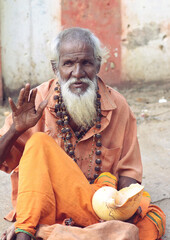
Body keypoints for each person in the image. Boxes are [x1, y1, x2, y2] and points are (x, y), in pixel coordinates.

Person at [0, 27, 166, 240]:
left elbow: (129, 176)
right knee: (39, 142)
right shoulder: (36, 101)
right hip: (47, 204)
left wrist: (121, 209)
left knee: (152, 220)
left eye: (86, 63)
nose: (77, 73)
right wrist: (16, 129)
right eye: (68, 63)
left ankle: (50, 233)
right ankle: (41, 230)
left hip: (96, 206)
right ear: (55, 67)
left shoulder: (119, 106)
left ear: (98, 64)